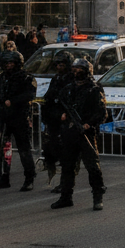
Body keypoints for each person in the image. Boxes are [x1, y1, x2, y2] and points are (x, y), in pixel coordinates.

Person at [50, 58, 108, 210]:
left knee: (93, 167)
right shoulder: (68, 89)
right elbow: (52, 105)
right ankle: (65, 197)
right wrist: (60, 115)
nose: (76, 73)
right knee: (67, 167)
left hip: (86, 134)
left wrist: (89, 123)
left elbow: (102, 112)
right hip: (69, 133)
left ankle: (97, 197)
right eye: (74, 70)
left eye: (79, 70)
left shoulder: (94, 89)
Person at [0, 51, 38, 191]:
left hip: (20, 117)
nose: (9, 66)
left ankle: (29, 178)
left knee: (24, 150)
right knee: (3, 148)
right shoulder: (1, 77)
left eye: (11, 63)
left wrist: (13, 101)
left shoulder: (25, 77)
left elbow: (30, 95)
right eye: (7, 63)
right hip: (5, 117)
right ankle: (3, 177)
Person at [41, 51, 76, 188]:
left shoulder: (72, 80)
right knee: (50, 149)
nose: (59, 67)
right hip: (53, 119)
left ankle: (65, 183)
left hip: (66, 120)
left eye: (62, 65)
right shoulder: (56, 78)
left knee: (66, 154)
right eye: (58, 65)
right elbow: (49, 96)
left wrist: (65, 113)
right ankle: (53, 176)